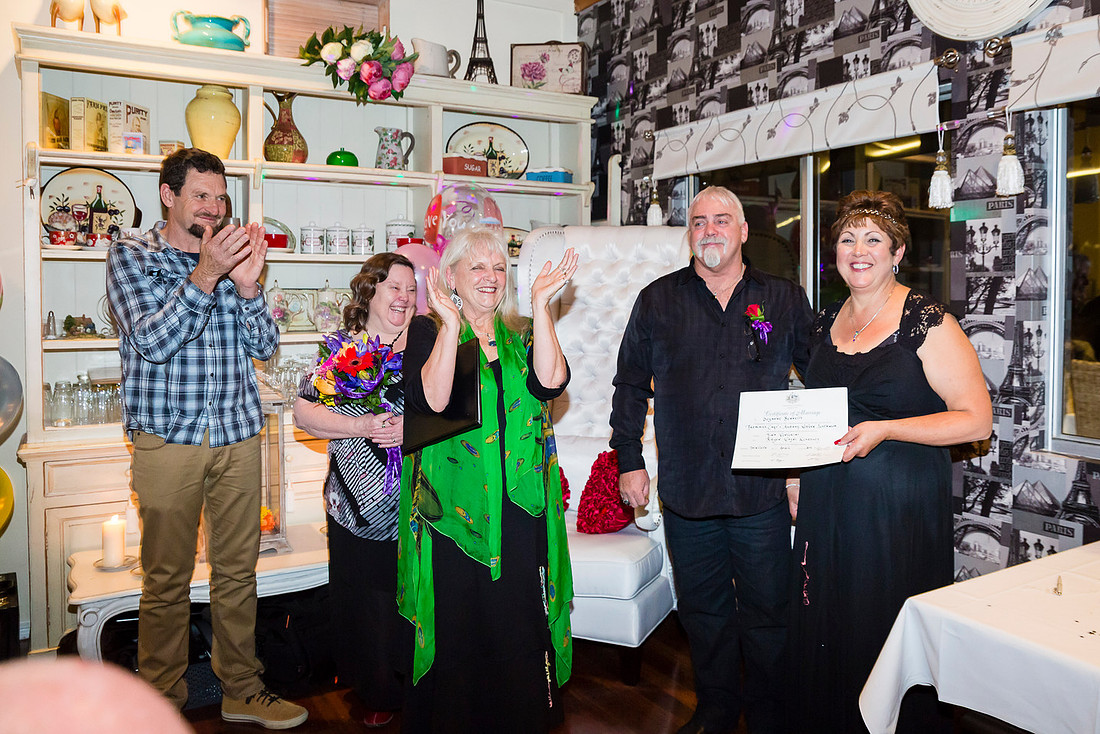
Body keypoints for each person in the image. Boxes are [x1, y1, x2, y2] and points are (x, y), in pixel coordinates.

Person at [106, 148, 307, 729]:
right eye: (201, 196)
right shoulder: (132, 255)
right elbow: (151, 341)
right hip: (167, 438)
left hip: (239, 434)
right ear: (168, 195)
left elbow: (265, 346)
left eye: (220, 197)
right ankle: (160, 701)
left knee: (238, 574)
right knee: (166, 581)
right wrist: (206, 275)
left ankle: (242, 689)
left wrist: (247, 289)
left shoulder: (231, 259)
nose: (214, 208)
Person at [611, 185, 814, 734]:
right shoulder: (657, 300)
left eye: (722, 220)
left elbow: (819, 381)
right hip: (688, 490)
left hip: (761, 492)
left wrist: (800, 470)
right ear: (690, 235)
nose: (710, 230)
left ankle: (770, 714)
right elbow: (630, 384)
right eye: (699, 222)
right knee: (703, 612)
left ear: (743, 231)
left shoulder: (783, 299)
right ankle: (717, 709)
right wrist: (629, 458)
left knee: (768, 614)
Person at [788, 190, 992, 733]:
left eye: (873, 239)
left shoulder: (928, 322)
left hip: (896, 515)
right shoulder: (823, 323)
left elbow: (976, 421)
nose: (859, 250)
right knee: (826, 623)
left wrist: (888, 429)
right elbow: (812, 411)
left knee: (880, 629)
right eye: (847, 239)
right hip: (826, 506)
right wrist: (792, 475)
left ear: (897, 251)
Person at [397, 227, 577, 733]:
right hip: (454, 513)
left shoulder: (521, 333)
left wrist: (541, 306)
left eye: (499, 267)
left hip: (520, 508)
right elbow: (433, 401)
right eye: (476, 266)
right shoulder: (428, 331)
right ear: (450, 277)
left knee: (517, 622)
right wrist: (454, 325)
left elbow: (550, 382)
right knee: (461, 622)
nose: (490, 277)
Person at [292, 253, 416, 728]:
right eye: (395, 287)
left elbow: (454, 409)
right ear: (370, 292)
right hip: (353, 503)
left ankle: (418, 686)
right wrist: (361, 424)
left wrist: (410, 426)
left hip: (418, 502)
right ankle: (376, 690)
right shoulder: (344, 350)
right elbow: (304, 412)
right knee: (365, 601)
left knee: (411, 595)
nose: (405, 298)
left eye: (411, 290)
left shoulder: (428, 345)